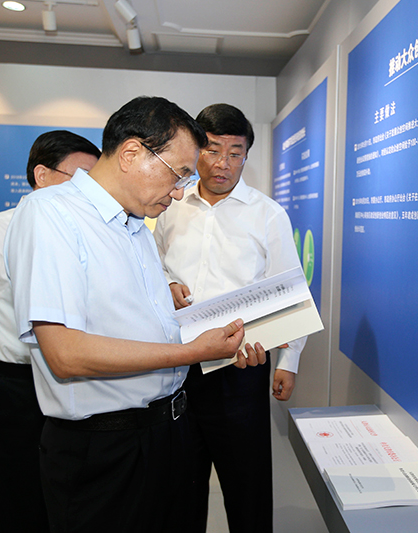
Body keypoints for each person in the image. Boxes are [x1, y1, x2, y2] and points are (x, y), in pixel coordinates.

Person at [4, 96, 267, 533]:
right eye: (178, 173)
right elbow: (65, 354)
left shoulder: (135, 226)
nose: (180, 191)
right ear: (131, 153)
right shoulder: (51, 213)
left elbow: (141, 326)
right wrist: (194, 352)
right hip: (105, 450)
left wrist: (217, 340)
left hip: (167, 433)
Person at [0, 130, 101, 532]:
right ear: (41, 175)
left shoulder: (91, 238)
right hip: (10, 390)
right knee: (7, 503)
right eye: (80, 178)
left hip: (73, 384)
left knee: (68, 502)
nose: (89, 191)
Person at [154, 103, 306, 532]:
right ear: (196, 150)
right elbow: (154, 266)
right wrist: (167, 283)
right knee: (181, 484)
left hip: (240, 365)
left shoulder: (267, 214)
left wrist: (289, 360)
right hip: (177, 364)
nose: (223, 163)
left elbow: (289, 289)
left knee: (247, 485)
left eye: (235, 153)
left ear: (246, 156)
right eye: (213, 150)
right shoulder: (170, 206)